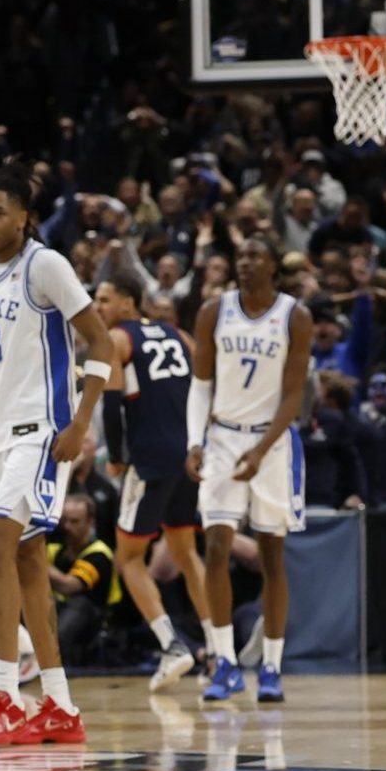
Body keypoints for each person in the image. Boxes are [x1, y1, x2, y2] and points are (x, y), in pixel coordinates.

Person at [0, 162, 114, 746]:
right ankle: (60, 705)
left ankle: (6, 696)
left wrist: (80, 422)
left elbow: (100, 342)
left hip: (42, 433)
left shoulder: (45, 265)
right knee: (25, 565)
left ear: (25, 217)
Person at [187, 236, 310, 704]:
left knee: (271, 557)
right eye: (241, 255)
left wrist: (260, 449)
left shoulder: (294, 316)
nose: (246, 262)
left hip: (272, 443)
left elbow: (294, 396)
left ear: (275, 267)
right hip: (222, 437)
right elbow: (200, 386)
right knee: (215, 548)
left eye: (257, 255)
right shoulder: (213, 312)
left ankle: (273, 667)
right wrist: (194, 442)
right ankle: (225, 664)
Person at [95, 272, 212, 693]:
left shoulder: (115, 340)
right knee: (184, 550)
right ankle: (219, 651)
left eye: (105, 299)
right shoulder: (178, 335)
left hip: (150, 460)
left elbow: (111, 407)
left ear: (129, 303)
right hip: (188, 458)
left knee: (128, 558)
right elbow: (205, 388)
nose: (97, 307)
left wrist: (117, 458)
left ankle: (171, 645)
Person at [46, 493, 118, 662]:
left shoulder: (99, 554)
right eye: (65, 521)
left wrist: (35, 561)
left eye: (75, 521)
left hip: (93, 623)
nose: (67, 527)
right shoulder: (56, 548)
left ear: (90, 521)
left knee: (80, 604)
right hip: (57, 612)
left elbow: (69, 586)